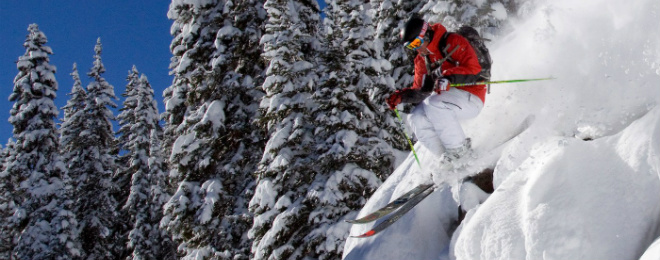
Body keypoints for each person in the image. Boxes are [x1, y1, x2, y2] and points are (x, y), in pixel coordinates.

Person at [386, 16, 487, 166]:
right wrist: (402, 96)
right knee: (415, 118)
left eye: (416, 43)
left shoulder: (452, 41)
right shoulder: (422, 60)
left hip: (472, 96)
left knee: (434, 103)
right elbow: (422, 90)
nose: (417, 49)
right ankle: (447, 159)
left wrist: (450, 78)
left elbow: (474, 70)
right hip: (448, 101)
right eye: (411, 47)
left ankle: (461, 153)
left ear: (426, 35)